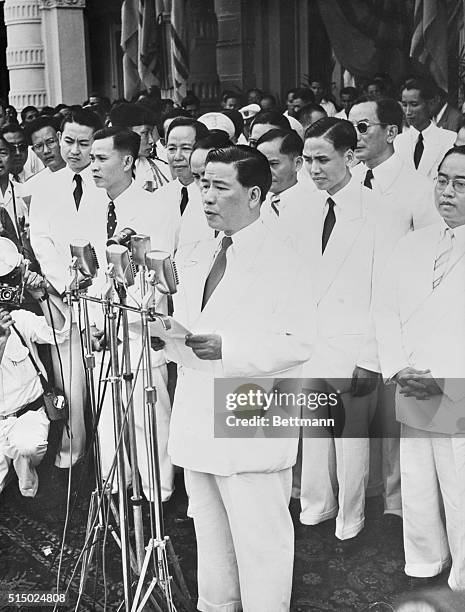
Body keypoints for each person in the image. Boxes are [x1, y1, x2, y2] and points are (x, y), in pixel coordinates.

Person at [168, 144, 315, 611]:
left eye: (219, 187)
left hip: (251, 410)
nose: (206, 197)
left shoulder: (286, 258)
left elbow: (300, 342)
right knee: (211, 540)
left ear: (254, 195)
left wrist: (229, 349)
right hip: (197, 412)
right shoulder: (203, 250)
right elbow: (194, 320)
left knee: (260, 544)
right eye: (203, 185)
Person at [374, 145, 465, 591]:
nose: (447, 192)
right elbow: (385, 309)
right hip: (412, 381)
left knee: (461, 485)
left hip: (457, 387)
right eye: (442, 180)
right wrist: (397, 367)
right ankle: (426, 563)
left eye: (461, 184)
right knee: (418, 480)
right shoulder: (415, 242)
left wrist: (444, 377)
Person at [348, 97, 440, 519]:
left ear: (391, 131)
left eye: (365, 127)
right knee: (354, 423)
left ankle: (398, 508)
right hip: (352, 319)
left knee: (397, 427)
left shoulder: (418, 190)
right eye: (352, 128)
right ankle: (364, 497)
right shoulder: (350, 182)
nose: (357, 136)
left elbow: (430, 263)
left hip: (399, 322)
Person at [299, 118, 380, 542]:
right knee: (313, 435)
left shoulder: (377, 210)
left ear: (350, 157)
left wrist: (370, 359)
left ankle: (351, 520)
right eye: (308, 159)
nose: (313, 169)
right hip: (312, 345)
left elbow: (384, 291)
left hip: (352, 347)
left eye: (323, 159)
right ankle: (316, 508)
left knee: (350, 440)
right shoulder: (304, 207)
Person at [88, 126, 176, 501]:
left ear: (127, 161)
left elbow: (155, 270)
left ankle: (158, 489)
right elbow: (90, 266)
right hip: (103, 320)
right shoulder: (95, 204)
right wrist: (95, 320)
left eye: (101, 158)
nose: (93, 165)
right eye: (92, 158)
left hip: (139, 321)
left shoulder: (153, 206)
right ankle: (116, 480)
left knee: (146, 413)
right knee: (108, 410)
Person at [29, 108, 105, 469]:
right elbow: (40, 240)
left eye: (84, 143)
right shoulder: (46, 186)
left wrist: (91, 283)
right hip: (61, 297)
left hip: (101, 296)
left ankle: (112, 456)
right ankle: (74, 450)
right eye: (68, 141)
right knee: (69, 382)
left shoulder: (107, 182)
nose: (74, 151)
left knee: (106, 379)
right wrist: (64, 280)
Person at [0, 248, 68, 498]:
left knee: (27, 447)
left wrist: (41, 296)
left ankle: (27, 480)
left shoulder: (18, 319)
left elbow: (61, 332)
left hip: (27, 416)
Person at [151, 117, 210, 254]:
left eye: (185, 148)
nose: (177, 156)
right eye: (171, 148)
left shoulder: (212, 196)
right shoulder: (159, 196)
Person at [256, 128, 316, 260]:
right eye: (261, 165)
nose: (265, 171)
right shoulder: (254, 204)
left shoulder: (315, 204)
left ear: (297, 163)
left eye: (274, 164)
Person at [395, 78, 456, 181]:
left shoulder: (450, 140)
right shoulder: (396, 142)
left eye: (414, 105)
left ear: (431, 103)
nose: (408, 111)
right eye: (405, 105)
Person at [110, 102, 170, 192]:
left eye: (151, 133)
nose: (151, 141)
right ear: (125, 134)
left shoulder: (157, 168)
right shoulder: (105, 170)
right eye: (145, 133)